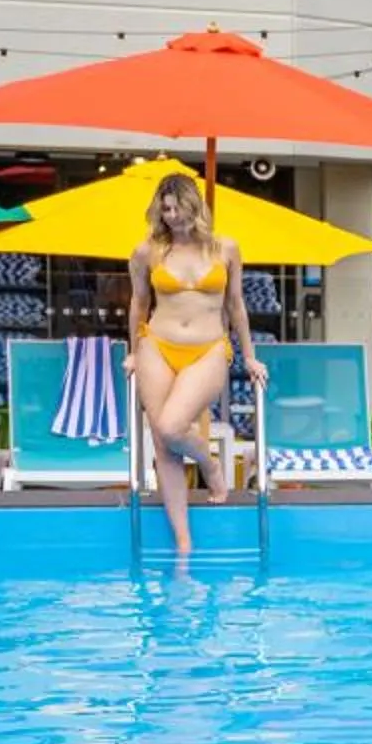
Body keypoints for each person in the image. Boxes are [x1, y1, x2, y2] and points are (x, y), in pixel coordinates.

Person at [127, 172, 265, 558]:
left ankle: (211, 464)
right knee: (162, 440)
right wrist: (135, 350)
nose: (171, 216)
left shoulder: (226, 248)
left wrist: (250, 354)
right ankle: (184, 544)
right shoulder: (147, 252)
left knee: (172, 426)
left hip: (207, 349)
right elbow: (139, 303)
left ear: (194, 205)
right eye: (165, 209)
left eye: (177, 207)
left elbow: (235, 305)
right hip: (157, 344)